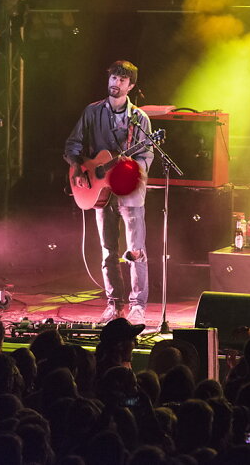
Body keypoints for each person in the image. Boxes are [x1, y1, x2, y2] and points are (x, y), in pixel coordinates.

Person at [64, 60, 153, 325]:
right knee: (107, 250)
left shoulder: (140, 119)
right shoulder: (92, 112)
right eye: (113, 78)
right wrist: (79, 167)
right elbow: (72, 145)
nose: (115, 83)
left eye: (122, 80)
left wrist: (126, 170)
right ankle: (114, 304)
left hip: (129, 192)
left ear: (131, 86)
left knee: (136, 250)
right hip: (100, 191)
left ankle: (137, 306)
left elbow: (146, 155)